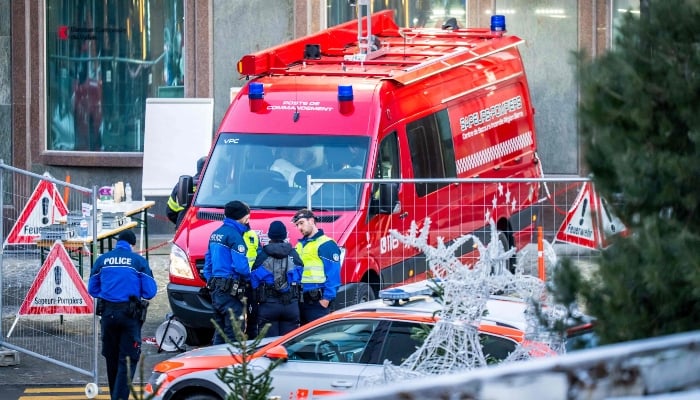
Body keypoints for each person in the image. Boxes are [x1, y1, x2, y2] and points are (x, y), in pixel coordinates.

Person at [88, 229, 157, 400]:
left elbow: (92, 289)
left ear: (117, 242)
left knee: (111, 359)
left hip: (107, 315)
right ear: (132, 244)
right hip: (129, 315)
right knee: (127, 361)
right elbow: (150, 292)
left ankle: (115, 396)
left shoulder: (102, 260)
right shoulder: (138, 261)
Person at [202, 200, 253, 344]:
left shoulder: (215, 234)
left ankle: (217, 363)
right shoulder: (234, 236)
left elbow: (208, 264)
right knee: (234, 332)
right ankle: (230, 365)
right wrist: (249, 278)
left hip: (216, 289)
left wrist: (211, 281)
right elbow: (241, 267)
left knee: (220, 331)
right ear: (241, 217)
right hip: (230, 291)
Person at [251, 221, 304, 337]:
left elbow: (254, 278)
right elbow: (300, 274)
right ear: (285, 235)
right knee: (288, 344)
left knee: (268, 345)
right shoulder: (293, 253)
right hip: (291, 305)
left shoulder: (263, 254)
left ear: (269, 235)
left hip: (268, 305)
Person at [291, 209, 341, 324]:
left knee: (319, 338)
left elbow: (333, 274)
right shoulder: (300, 245)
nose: (299, 228)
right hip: (302, 300)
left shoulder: (326, 244)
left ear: (312, 221)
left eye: (301, 223)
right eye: (297, 225)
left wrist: (326, 299)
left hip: (318, 301)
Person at [166, 156, 206, 226]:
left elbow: (170, 212)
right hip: (205, 227)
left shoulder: (181, 185)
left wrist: (180, 222)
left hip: (184, 228)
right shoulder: (216, 187)